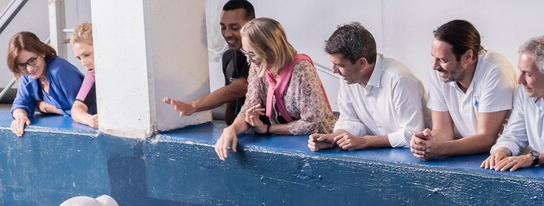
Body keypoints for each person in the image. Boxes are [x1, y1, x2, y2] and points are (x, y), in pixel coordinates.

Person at [214, 17, 336, 160]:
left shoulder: (302, 69)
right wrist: (231, 129)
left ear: (272, 49)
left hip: (319, 145)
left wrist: (267, 129)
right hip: (286, 143)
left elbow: (311, 123)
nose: (248, 60)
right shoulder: (257, 66)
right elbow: (249, 106)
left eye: (252, 54)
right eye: (245, 53)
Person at [308, 22, 426, 152]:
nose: (334, 70)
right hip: (380, 155)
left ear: (362, 63)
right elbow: (350, 120)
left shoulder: (399, 79)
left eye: (340, 65)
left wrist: (365, 141)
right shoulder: (349, 77)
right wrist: (334, 138)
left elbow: (413, 134)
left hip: (417, 157)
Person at [409, 20, 516, 160]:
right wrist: (424, 142)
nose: (434, 66)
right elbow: (443, 131)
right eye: (433, 57)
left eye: (442, 60)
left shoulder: (495, 70)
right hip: (468, 155)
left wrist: (440, 149)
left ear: (468, 57)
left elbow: (486, 138)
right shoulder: (439, 72)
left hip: (501, 156)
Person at [480, 36, 544, 171]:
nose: (520, 80)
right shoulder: (524, 94)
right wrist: (502, 150)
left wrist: (532, 158)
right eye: (521, 71)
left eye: (527, 74)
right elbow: (514, 134)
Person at [162, 0, 255, 124]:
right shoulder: (228, 57)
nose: (227, 34)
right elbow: (231, 101)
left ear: (252, 24)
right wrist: (229, 130)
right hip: (242, 129)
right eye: (223, 27)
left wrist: (193, 106)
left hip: (268, 132)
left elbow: (237, 89)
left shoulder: (262, 57)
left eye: (234, 27)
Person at [7, 31, 85, 137]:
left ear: (42, 52)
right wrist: (20, 116)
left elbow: (83, 111)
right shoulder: (27, 76)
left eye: (32, 60)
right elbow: (20, 103)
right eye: (22, 65)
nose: (29, 69)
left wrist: (46, 107)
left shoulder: (61, 72)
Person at [69, 22, 98, 129]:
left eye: (87, 55)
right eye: (79, 58)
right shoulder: (92, 74)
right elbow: (76, 109)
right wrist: (89, 119)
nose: (83, 63)